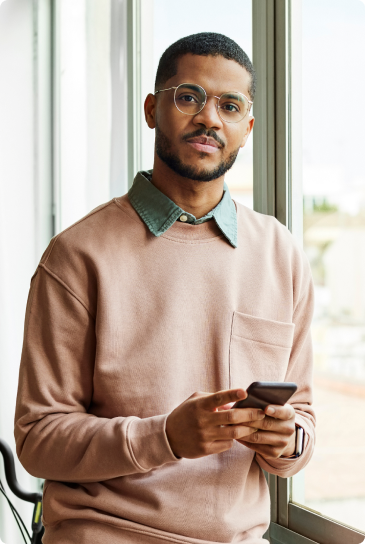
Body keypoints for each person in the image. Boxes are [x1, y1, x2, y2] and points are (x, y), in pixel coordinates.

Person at [15, 32, 315, 544]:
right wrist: (165, 438)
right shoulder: (76, 255)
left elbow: (303, 425)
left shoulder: (280, 253)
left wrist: (288, 441)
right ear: (153, 109)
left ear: (248, 127)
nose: (209, 119)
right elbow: (38, 439)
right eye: (189, 97)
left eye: (229, 105)